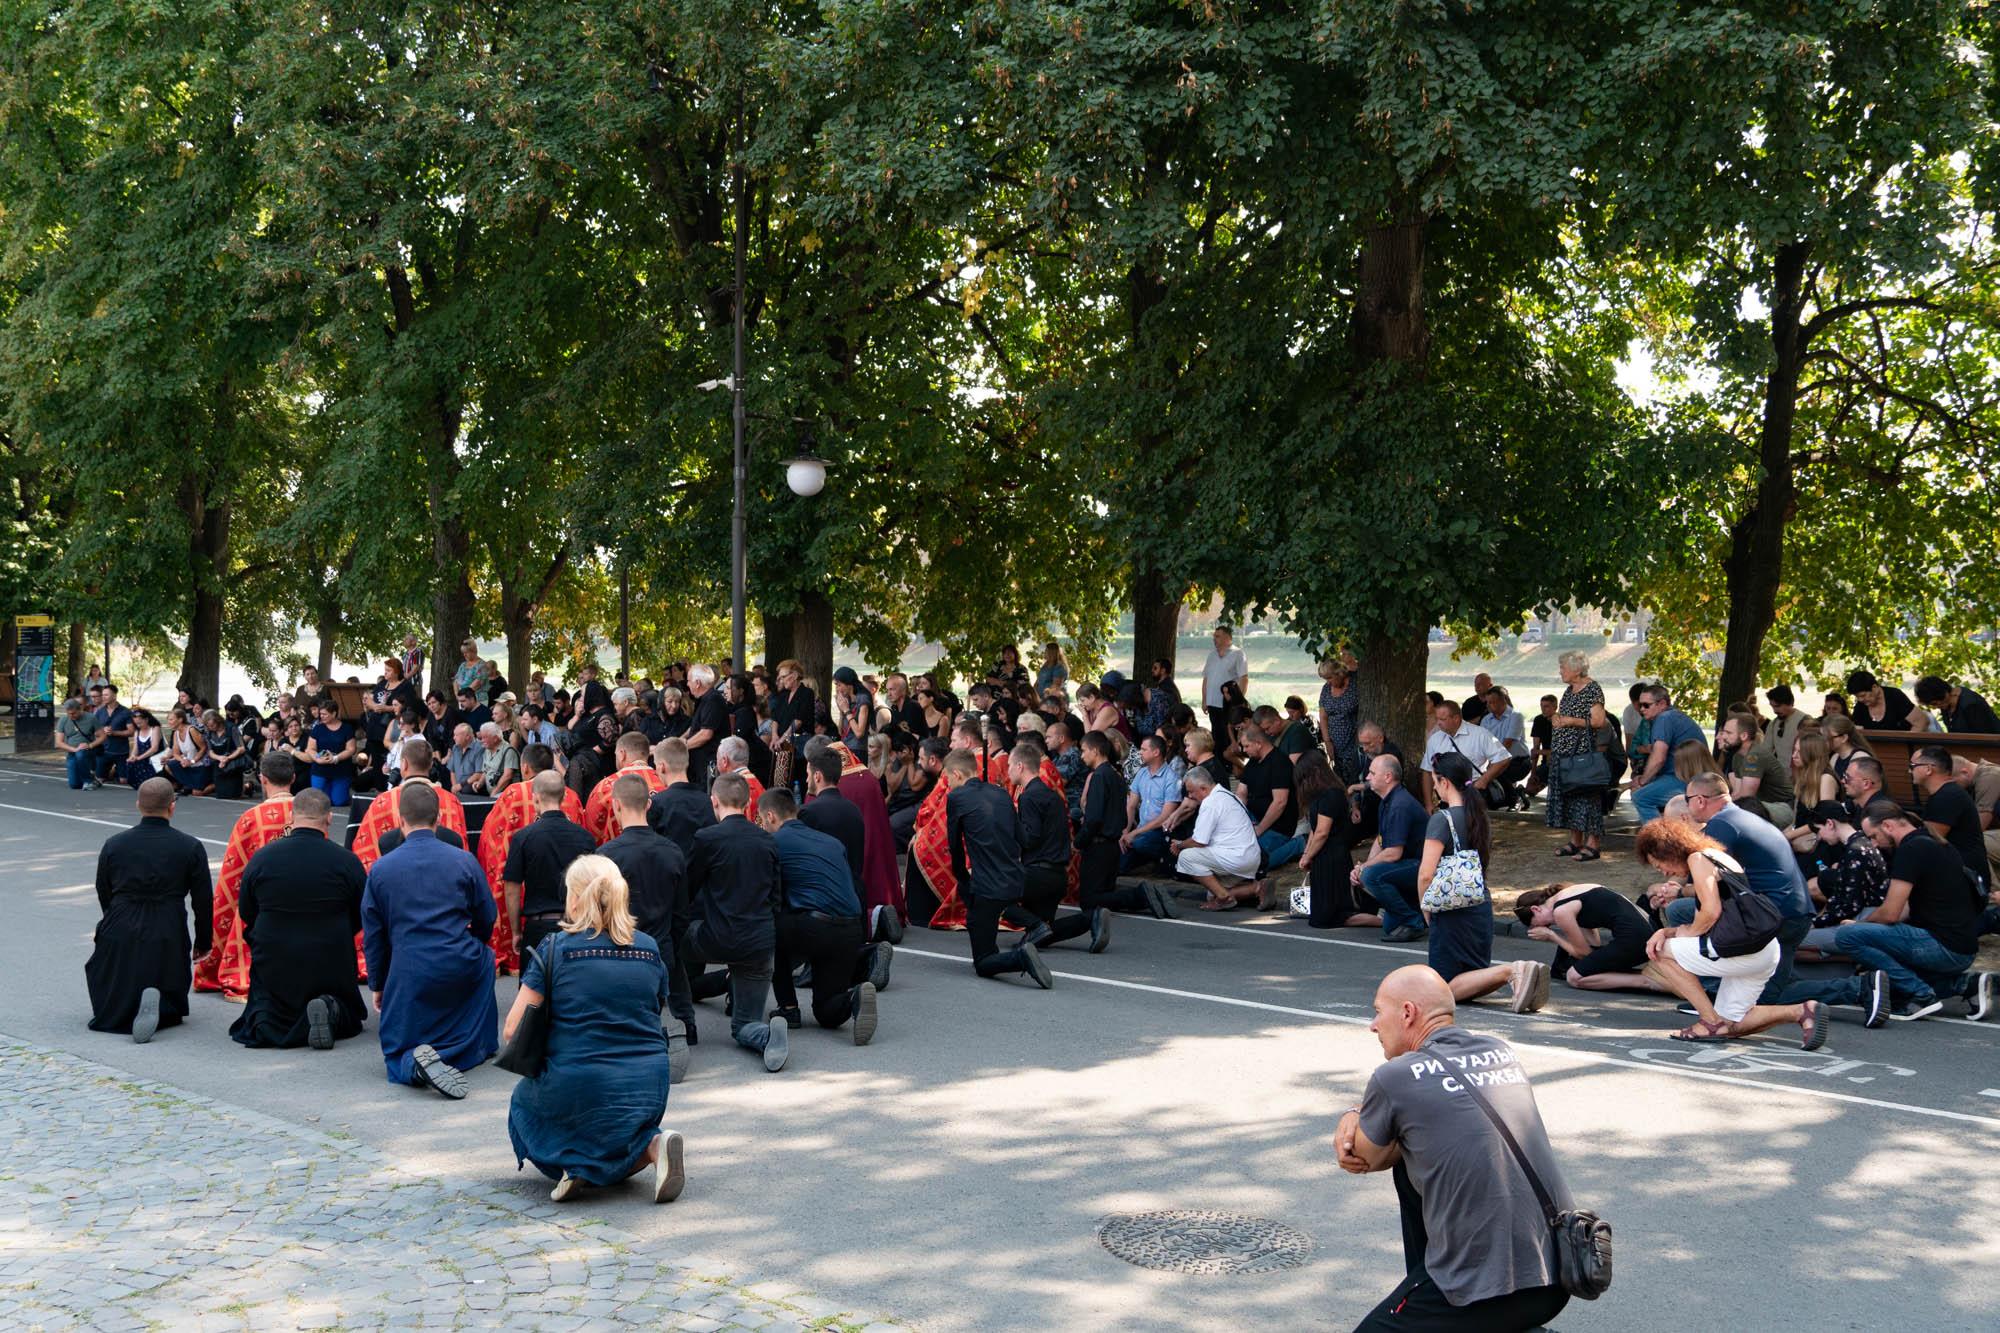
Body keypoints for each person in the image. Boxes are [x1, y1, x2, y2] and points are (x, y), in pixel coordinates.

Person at [1336, 966, 1573, 1331]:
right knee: (1412, 1155)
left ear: (1408, 1013)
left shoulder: (1395, 1076)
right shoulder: (1500, 1051)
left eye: (1378, 1011)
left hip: (1479, 1291)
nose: (1373, 1025)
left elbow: (1362, 1157)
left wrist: (1354, 1114)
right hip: (1559, 1273)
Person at [503, 854, 685, 1205]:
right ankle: (653, 1146)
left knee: (522, 1105)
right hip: (648, 1083)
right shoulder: (649, 948)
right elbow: (653, 1008)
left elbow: (513, 1029)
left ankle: (573, 1165)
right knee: (625, 1127)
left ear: (574, 897)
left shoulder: (556, 948)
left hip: (576, 1079)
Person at [1782, 801, 1993, 1026]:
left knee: (1847, 936)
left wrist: (1857, 926)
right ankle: (1964, 985)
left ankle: (1921, 994)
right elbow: (1905, 909)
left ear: (1888, 826)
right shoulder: (1934, 843)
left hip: (1940, 945)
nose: (1874, 843)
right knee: (1890, 986)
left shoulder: (1911, 850)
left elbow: (1891, 913)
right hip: (1961, 945)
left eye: (1873, 836)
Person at [1632, 816, 1825, 1047]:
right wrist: (1669, 932)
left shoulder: (1697, 858)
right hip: (1762, 948)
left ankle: (1709, 1022)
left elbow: (1710, 913)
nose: (1663, 872)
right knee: (1731, 1023)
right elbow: (1707, 918)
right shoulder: (1717, 856)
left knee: (1660, 952)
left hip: (1741, 949)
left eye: (1659, 864)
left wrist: (1681, 935)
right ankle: (1801, 1012)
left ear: (1668, 850)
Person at [360, 781, 499, 1098]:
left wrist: (379, 984)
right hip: (459, 958)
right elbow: (487, 915)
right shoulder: (463, 860)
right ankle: (472, 1047)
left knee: (397, 1048)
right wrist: (474, 945)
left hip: (409, 966)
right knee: (485, 961)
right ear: (438, 819)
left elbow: (375, 935)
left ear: (400, 820)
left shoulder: (381, 869)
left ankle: (415, 1063)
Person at [227, 788, 368, 1051]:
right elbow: (363, 911)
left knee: (267, 1011)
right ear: (329, 818)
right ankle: (329, 1007)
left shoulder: (263, 858)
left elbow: (247, 910)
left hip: (275, 954)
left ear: (291, 817)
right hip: (329, 954)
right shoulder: (346, 860)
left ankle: (271, 1018)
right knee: (345, 1008)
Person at [85, 779, 213, 1042]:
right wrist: (203, 941)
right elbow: (203, 900)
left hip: (121, 917)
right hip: (168, 921)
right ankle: (160, 1006)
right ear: (172, 807)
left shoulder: (115, 844)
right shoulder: (189, 846)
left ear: (138, 805)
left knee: (110, 972)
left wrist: (111, 919)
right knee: (165, 967)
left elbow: (103, 889)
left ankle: (125, 1008)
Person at [682, 771, 789, 1071]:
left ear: (713, 801)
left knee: (675, 939)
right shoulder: (767, 841)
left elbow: (687, 890)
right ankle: (765, 1034)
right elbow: (775, 897)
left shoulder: (707, 838)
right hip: (759, 942)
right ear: (749, 801)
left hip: (717, 938)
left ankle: (681, 1018)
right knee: (743, 1024)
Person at [760, 788, 884, 1043]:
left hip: (814, 926)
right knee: (827, 1012)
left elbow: (771, 895)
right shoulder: (831, 842)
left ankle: (789, 1008)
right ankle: (853, 998)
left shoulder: (773, 844)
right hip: (850, 927)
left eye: (761, 820)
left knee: (770, 929)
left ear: (770, 816)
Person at [598, 773, 693, 1077]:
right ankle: (666, 1030)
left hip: (619, 952)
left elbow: (599, 916)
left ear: (616, 806)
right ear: (649, 804)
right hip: (660, 950)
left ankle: (642, 1043)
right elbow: (682, 913)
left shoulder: (607, 856)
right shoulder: (673, 851)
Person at [194, 752, 303, 1000]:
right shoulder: (309, 813)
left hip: (263, 904)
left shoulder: (251, 818)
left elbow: (234, 876)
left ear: (262, 779)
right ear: (293, 778)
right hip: (304, 900)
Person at [941, 749, 1053, 988]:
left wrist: (963, 880)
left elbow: (955, 848)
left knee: (982, 963)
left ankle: (1021, 958)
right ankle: (998, 951)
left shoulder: (957, 799)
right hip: (1014, 880)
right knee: (981, 925)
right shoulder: (1001, 794)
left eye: (948, 779)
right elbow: (1022, 838)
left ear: (958, 774)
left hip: (987, 886)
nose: (948, 785)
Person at [477, 742, 584, 976]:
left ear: (525, 768)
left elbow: (491, 839)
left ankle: (510, 954)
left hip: (521, 876)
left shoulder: (511, 794)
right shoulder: (570, 796)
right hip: (566, 887)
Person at [503, 771, 600, 956]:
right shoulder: (585, 837)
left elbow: (512, 888)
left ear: (536, 798)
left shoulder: (523, 837)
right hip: (577, 926)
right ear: (563, 797)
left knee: (534, 984)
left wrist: (516, 931)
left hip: (538, 927)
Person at [1514, 883, 1661, 994]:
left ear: (1536, 909)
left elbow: (1583, 953)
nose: (1546, 926)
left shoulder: (1561, 911)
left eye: (1538, 924)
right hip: (1649, 930)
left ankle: (1650, 981)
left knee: (1574, 977)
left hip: (1636, 938)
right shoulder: (1570, 894)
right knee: (1589, 967)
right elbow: (1593, 949)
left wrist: (1552, 936)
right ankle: (1657, 975)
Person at [1795, 802, 1888, 960]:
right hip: (1864, 919)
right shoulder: (1861, 843)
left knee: (1793, 940)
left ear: (1830, 824)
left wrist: (1816, 922)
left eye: (1818, 830)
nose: (1819, 837)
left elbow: (1849, 906)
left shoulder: (1855, 851)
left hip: (1860, 921)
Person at [1356, 755, 1430, 942]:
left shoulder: (1399, 804)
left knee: (1371, 876)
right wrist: (1364, 865)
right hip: (1408, 864)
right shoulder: (1387, 801)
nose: (1367, 777)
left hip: (1423, 866)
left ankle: (1413, 921)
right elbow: (1381, 840)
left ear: (1388, 777)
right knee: (1390, 926)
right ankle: (1416, 912)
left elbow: (1393, 852)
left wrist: (1364, 869)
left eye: (1372, 773)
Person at [1545, 652, 1608, 858]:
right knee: (1570, 796)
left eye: (1563, 667)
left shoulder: (1592, 689)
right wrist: (1557, 717)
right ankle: (1575, 841)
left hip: (1581, 753)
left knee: (1587, 797)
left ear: (1576, 669)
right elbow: (1565, 715)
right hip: (1564, 753)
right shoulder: (1569, 690)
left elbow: (1598, 721)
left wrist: (1571, 721)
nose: (1560, 671)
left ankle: (1593, 844)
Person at [1296, 760, 1373, 928]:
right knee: (1323, 915)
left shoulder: (1330, 795)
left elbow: (1322, 832)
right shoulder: (1321, 796)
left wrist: (1308, 855)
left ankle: (1381, 920)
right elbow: (1315, 830)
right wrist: (1307, 854)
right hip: (1323, 857)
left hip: (1332, 856)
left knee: (1333, 915)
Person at [1911, 744, 1989, 890]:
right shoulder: (1946, 793)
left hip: (1964, 879)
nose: (1910, 770)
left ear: (1928, 769)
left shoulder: (1947, 797)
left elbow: (1928, 843)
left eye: (1913, 765)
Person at [1628, 684, 1703, 823]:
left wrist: (1643, 781)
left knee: (1641, 797)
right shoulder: (1673, 716)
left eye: (1646, 705)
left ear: (1662, 704)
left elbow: (1658, 758)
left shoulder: (1664, 719)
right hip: (1689, 777)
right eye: (1640, 705)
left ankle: (1659, 840)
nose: (1641, 709)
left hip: (1684, 779)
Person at [1419, 699, 1511, 810]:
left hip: (1473, 793)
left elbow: (1503, 758)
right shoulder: (1435, 739)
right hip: (1446, 796)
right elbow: (1427, 771)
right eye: (1437, 718)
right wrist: (1429, 803)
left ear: (1456, 719)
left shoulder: (1479, 734)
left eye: (1443, 719)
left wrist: (1484, 780)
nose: (1438, 723)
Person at [1238, 725, 1302, 881]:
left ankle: (1299, 844)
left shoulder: (1279, 763)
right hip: (1254, 817)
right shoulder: (1253, 762)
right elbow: (1241, 793)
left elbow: (1280, 802)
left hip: (1278, 825)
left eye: (1246, 746)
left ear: (1258, 743)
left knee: (1255, 863)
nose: (1244, 750)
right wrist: (1241, 819)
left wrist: (1259, 829)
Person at [1118, 734, 1185, 874]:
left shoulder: (1171, 778)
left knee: (1139, 843)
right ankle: (1148, 863)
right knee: (1119, 864)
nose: (1139, 753)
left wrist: (1134, 833)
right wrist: (1125, 830)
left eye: (1143, 749)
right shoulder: (1142, 773)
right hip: (1141, 831)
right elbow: (1131, 806)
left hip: (1161, 833)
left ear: (1156, 752)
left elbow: (1165, 817)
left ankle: (1159, 860)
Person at [584, 731, 668, 843]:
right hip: (662, 853)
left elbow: (591, 827)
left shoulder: (604, 787)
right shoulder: (665, 782)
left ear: (622, 754)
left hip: (615, 855)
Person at [647, 737, 717, 858]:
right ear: (687, 763)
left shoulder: (656, 804)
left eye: (656, 766)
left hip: (671, 873)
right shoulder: (708, 801)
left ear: (662, 766)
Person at [1478, 687, 1534, 809]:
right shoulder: (1486, 720)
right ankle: (1509, 797)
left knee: (1497, 772)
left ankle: (1515, 799)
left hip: (1518, 761)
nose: (1488, 705)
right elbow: (1482, 743)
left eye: (1492, 702)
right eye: (1487, 702)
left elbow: (1507, 743)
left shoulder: (1515, 716)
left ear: (1502, 701)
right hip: (1496, 761)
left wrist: (1493, 764)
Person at [304, 699, 358, 807]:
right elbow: (310, 748)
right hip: (320, 768)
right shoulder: (318, 728)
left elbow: (351, 749)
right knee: (319, 801)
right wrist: (317, 758)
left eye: (325, 714)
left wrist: (336, 758)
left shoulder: (346, 728)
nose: (321, 716)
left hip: (341, 769)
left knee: (339, 802)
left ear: (334, 713)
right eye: (320, 714)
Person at [1200, 625, 1249, 741]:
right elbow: (1206, 678)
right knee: (1216, 735)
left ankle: (1227, 758)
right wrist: (1204, 700)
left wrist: (1238, 702)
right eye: (1214, 636)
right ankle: (1218, 758)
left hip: (1228, 704)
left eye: (1217, 636)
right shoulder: (1211, 655)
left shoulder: (1238, 654)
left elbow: (1244, 678)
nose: (1214, 639)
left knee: (1227, 736)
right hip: (1212, 703)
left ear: (1227, 638)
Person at [1845, 669, 1927, 732]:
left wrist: (1906, 746)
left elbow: (1921, 722)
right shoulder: (1860, 706)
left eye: (1863, 695)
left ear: (1874, 687)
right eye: (1857, 697)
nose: (1860, 700)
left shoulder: (1895, 696)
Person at [1915, 675, 2000, 735]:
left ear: (1944, 693)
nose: (1936, 706)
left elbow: (1985, 737)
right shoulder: (1946, 703)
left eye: (1935, 703)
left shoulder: (1971, 704)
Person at [57, 697, 104, 790]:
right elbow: (59, 742)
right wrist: (74, 749)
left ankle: (88, 781)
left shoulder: (91, 718)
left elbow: (102, 736)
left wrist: (90, 745)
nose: (71, 716)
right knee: (74, 785)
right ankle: (93, 779)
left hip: (87, 750)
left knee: (80, 753)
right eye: (68, 713)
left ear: (80, 709)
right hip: (72, 752)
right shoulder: (63, 720)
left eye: (73, 713)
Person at [93, 684, 135, 783]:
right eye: (102, 695)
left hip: (121, 752)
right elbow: (94, 731)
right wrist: (102, 731)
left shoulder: (126, 712)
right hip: (103, 751)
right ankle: (109, 772)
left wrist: (114, 732)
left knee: (123, 781)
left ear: (114, 696)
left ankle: (114, 771)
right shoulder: (99, 712)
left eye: (106, 695)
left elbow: (131, 732)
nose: (103, 697)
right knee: (100, 780)